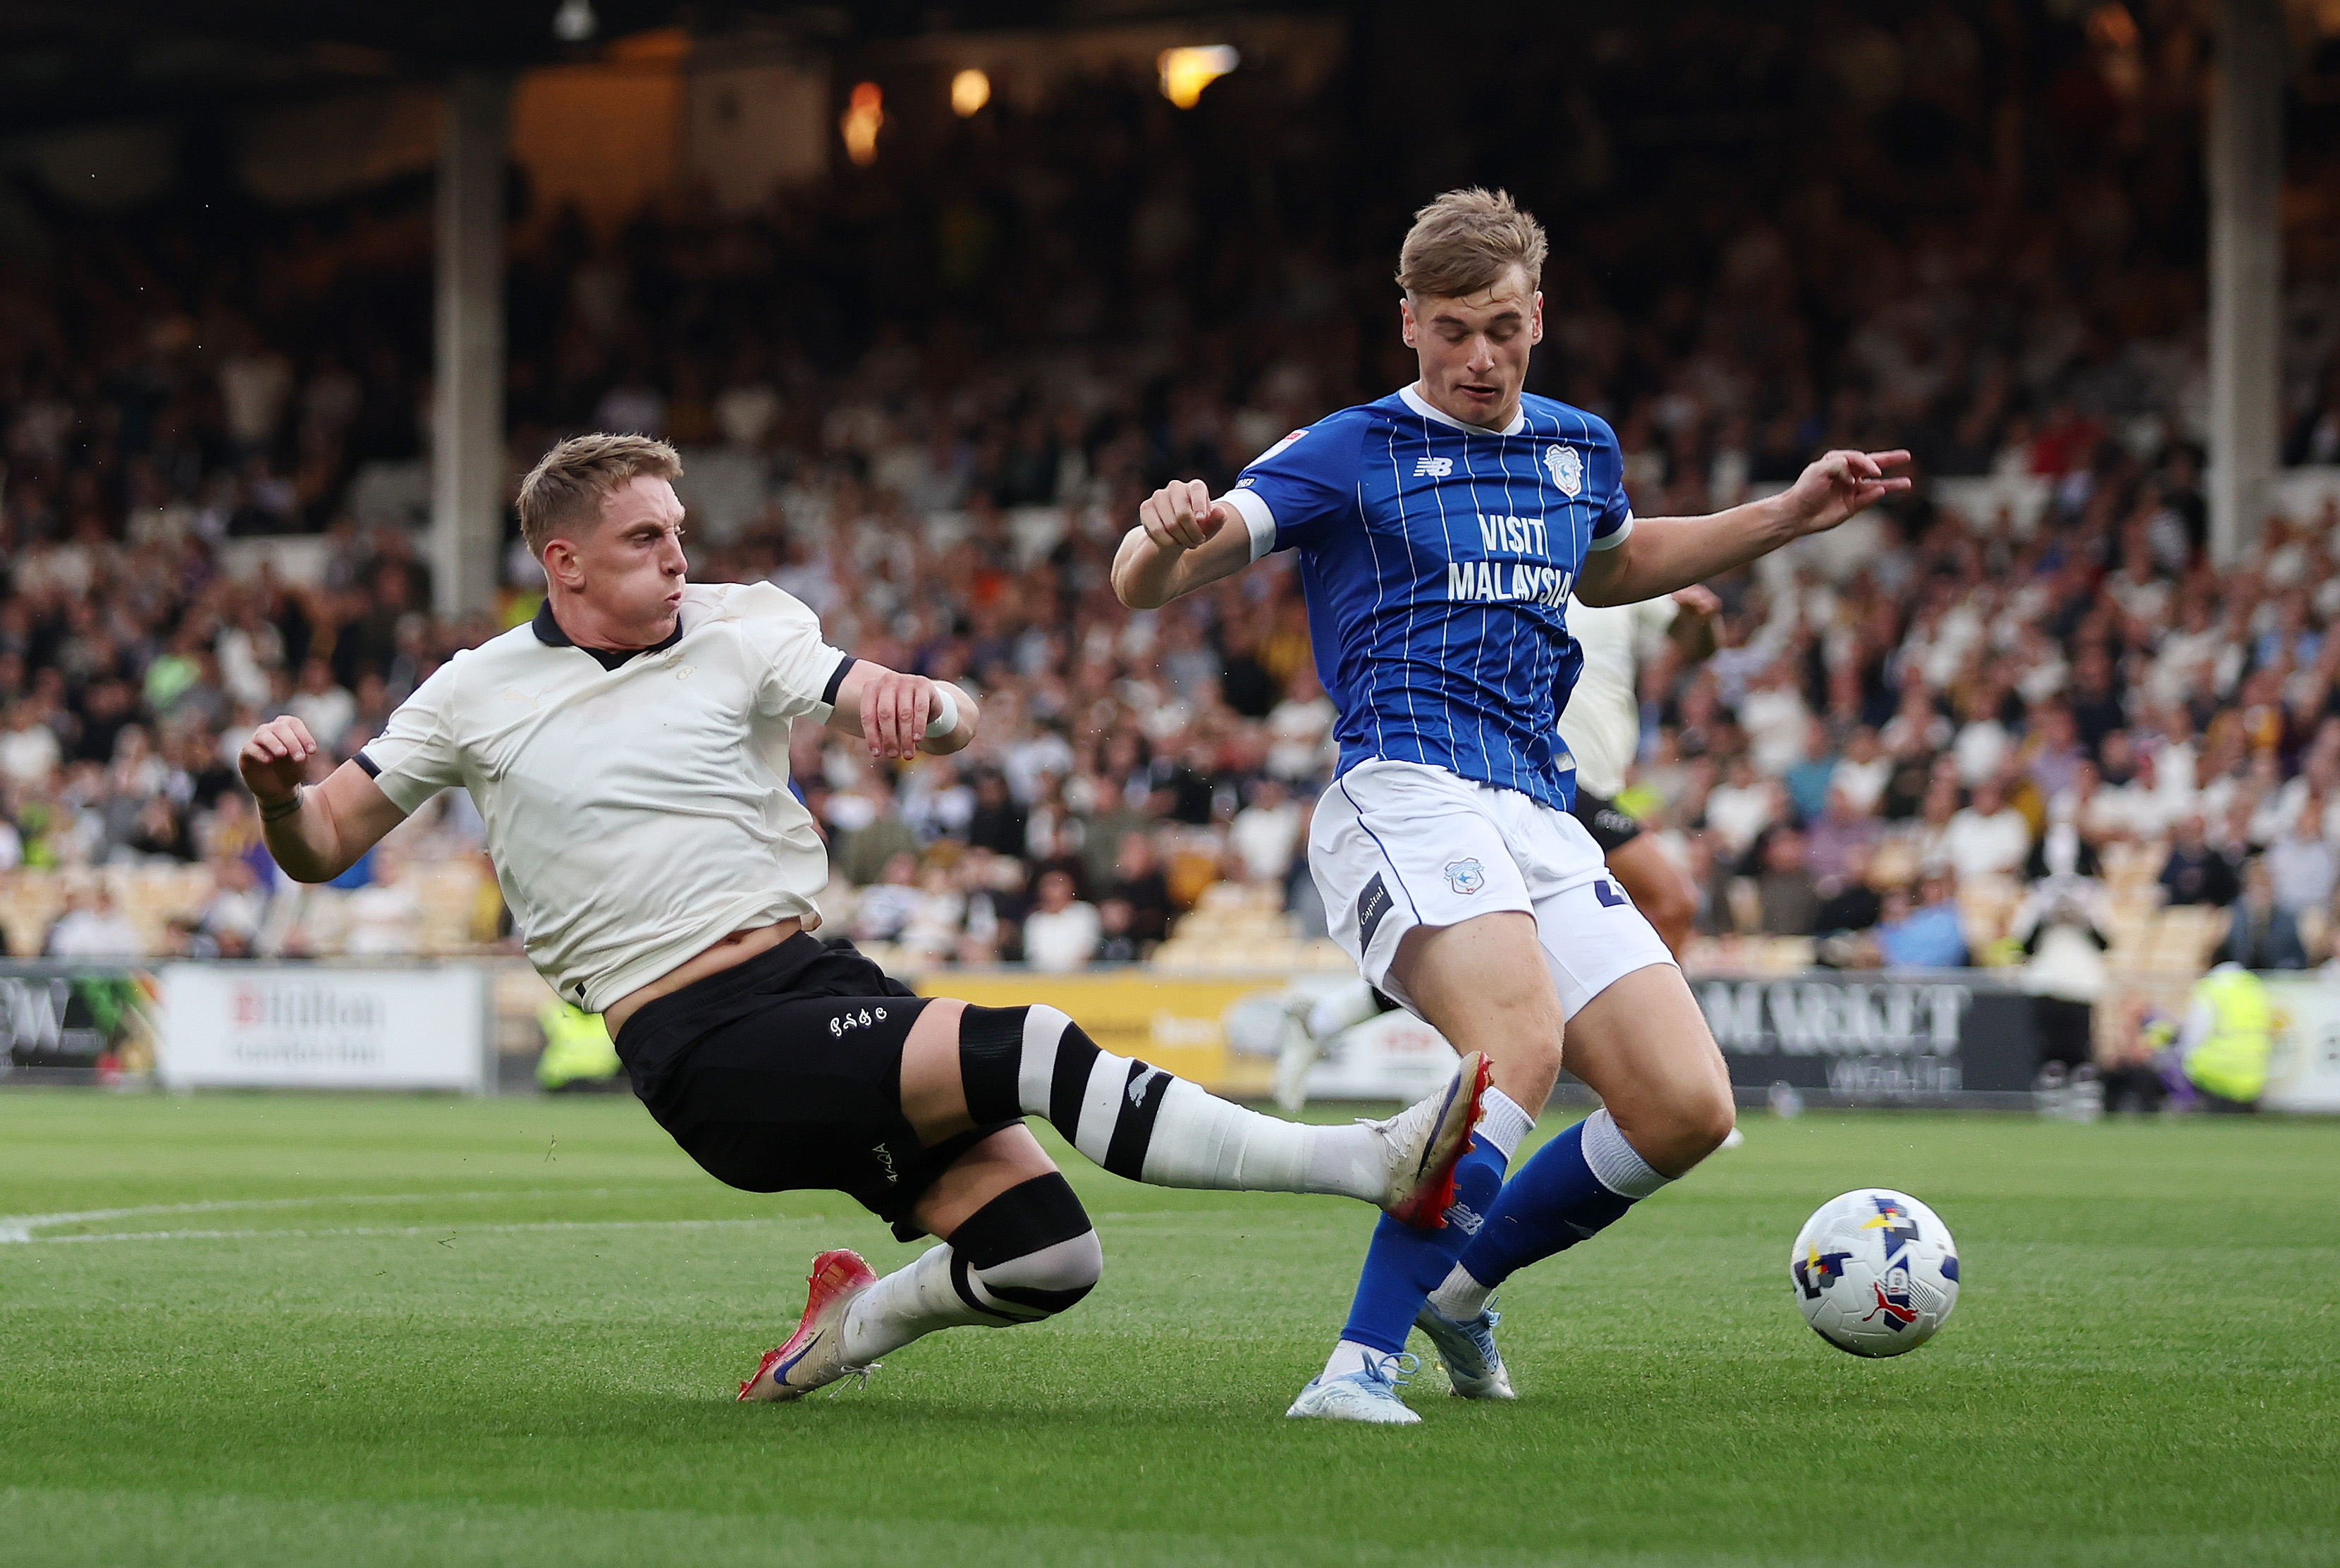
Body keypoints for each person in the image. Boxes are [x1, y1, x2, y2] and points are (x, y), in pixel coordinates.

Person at [238, 434, 1486, 1405]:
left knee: (1045, 1258)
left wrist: (921, 701)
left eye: (678, 531)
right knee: (1030, 1043)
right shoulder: (475, 691)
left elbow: (897, 698)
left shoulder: (743, 624)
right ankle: (1361, 1162)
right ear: (561, 561)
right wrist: (279, 797)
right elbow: (325, 843)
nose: (678, 556)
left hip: (814, 980)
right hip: (698, 1039)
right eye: (641, 539)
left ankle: (844, 1329)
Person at [1115, 187, 1909, 1422]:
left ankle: (1458, 1292)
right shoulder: (1347, 448)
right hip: (1404, 786)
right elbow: (1147, 580)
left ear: (1535, 315)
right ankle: (1353, 1365)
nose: (1476, 357)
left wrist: (1789, 513)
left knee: (1682, 1106)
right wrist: (1158, 536)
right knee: (1518, 1043)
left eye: (1497, 326)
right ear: (1406, 325)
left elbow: (1615, 563)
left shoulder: (1577, 446)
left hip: (1537, 805)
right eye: (1447, 330)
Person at [2174, 962, 2272, 1112]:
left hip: (2215, 1076)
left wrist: (2182, 1054)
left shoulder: (2210, 987)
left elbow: (2195, 1033)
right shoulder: (2254, 986)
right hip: (2252, 1078)